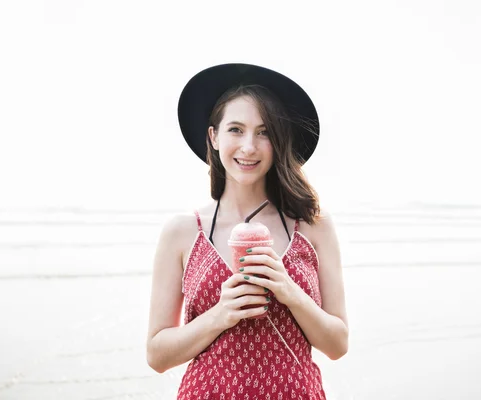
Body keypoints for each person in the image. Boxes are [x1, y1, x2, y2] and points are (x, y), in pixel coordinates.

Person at [146, 63, 348, 399]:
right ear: (214, 136)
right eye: (236, 129)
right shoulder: (182, 232)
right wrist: (220, 315)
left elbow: (338, 343)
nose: (249, 146)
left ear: (279, 139)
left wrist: (288, 290)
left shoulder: (314, 225)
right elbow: (156, 355)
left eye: (265, 131)